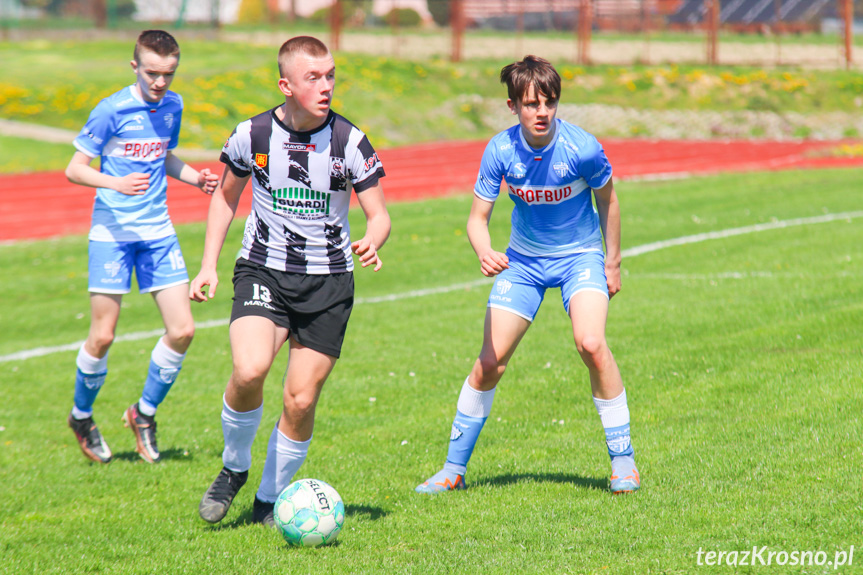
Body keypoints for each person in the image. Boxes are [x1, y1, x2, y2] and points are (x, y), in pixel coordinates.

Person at [416, 55, 640, 495]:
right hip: (524, 263)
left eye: (549, 102)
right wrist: (484, 251)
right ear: (512, 106)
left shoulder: (584, 148)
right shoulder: (500, 150)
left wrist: (611, 262)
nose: (542, 112)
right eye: (531, 104)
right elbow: (477, 218)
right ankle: (452, 470)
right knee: (488, 364)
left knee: (591, 344)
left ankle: (624, 464)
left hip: (580, 258)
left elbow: (608, 202)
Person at [191, 36, 390, 526]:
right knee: (250, 370)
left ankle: (269, 500)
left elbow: (380, 214)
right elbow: (225, 199)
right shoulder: (252, 135)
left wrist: (372, 239)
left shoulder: (350, 141)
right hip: (263, 269)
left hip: (329, 283)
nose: (326, 86)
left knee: (300, 399)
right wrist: (209, 264)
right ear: (286, 85)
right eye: (313, 78)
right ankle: (234, 468)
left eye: (331, 76)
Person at [65, 30, 219, 465]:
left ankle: (143, 414)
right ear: (135, 67)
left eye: (169, 74)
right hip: (111, 235)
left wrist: (195, 178)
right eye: (152, 73)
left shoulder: (173, 105)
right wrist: (114, 181)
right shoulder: (110, 110)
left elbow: (164, 156)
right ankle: (81, 416)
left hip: (158, 233)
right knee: (103, 335)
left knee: (183, 330)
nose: (160, 82)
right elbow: (75, 169)